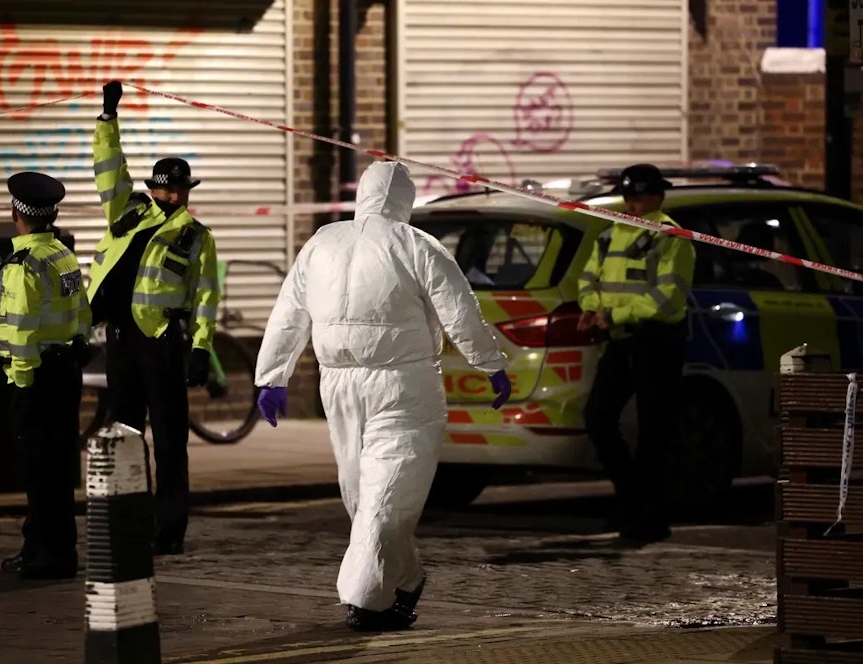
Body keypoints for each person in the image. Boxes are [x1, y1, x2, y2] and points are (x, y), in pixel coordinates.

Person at [254, 161, 512, 631]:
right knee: (367, 498)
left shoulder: (322, 243)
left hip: (359, 386)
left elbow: (289, 311)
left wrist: (272, 374)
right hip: (399, 383)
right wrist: (490, 363)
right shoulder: (416, 246)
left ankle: (366, 599)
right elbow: (460, 311)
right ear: (405, 201)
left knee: (381, 499)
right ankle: (406, 578)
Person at [88, 80, 220, 557]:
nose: (175, 196)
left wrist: (202, 348)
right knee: (124, 436)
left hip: (163, 341)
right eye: (169, 187)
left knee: (169, 441)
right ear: (155, 187)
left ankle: (169, 529)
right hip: (122, 340)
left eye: (181, 189)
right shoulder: (129, 214)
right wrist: (108, 119)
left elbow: (206, 297)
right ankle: (130, 518)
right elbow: (109, 169)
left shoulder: (195, 238)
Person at [576, 163, 696, 545]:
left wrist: (610, 315)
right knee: (598, 419)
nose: (634, 204)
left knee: (653, 431)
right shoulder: (609, 233)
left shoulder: (671, 236)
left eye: (641, 197)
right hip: (620, 337)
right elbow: (587, 278)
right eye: (630, 197)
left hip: (658, 340)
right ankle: (631, 500)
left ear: (659, 196)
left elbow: (667, 297)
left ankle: (648, 517)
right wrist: (592, 308)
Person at [0, 171, 92, 580]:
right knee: (59, 466)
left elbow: (20, 328)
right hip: (65, 370)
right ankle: (51, 549)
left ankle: (46, 555)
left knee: (38, 468)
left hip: (36, 378)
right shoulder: (61, 254)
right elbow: (82, 312)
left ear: (16, 213)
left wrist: (22, 381)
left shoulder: (23, 264)